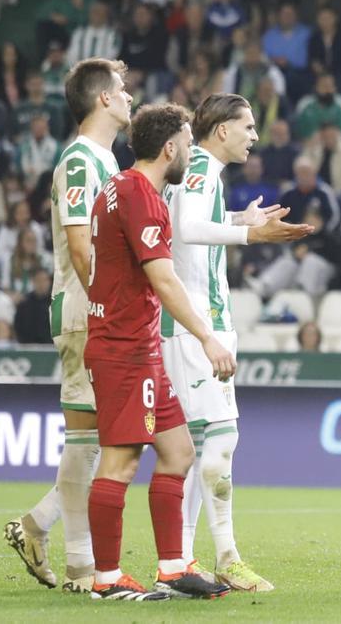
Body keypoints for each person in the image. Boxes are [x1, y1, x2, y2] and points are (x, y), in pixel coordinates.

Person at [161, 93, 311, 591]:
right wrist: (254, 238)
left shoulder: (200, 171)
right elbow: (185, 228)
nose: (254, 135)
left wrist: (240, 220)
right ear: (221, 129)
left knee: (197, 445)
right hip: (195, 324)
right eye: (247, 126)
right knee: (221, 440)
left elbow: (186, 230)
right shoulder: (202, 165)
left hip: (190, 323)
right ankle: (227, 556)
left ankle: (180, 563)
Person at [83, 103, 233, 600]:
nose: (191, 152)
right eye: (189, 143)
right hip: (125, 349)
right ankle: (107, 578)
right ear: (170, 147)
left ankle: (172, 567)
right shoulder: (143, 196)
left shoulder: (116, 187)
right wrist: (207, 337)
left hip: (134, 344)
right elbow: (163, 278)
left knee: (178, 451)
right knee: (121, 462)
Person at [3, 58, 130, 594]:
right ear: (102, 99)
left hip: (93, 311)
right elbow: (81, 244)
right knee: (93, 445)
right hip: (85, 313)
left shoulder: (104, 159)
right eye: (121, 88)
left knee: (99, 442)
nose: (129, 96)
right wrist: (107, 308)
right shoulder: (81, 161)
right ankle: (79, 563)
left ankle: (41, 531)